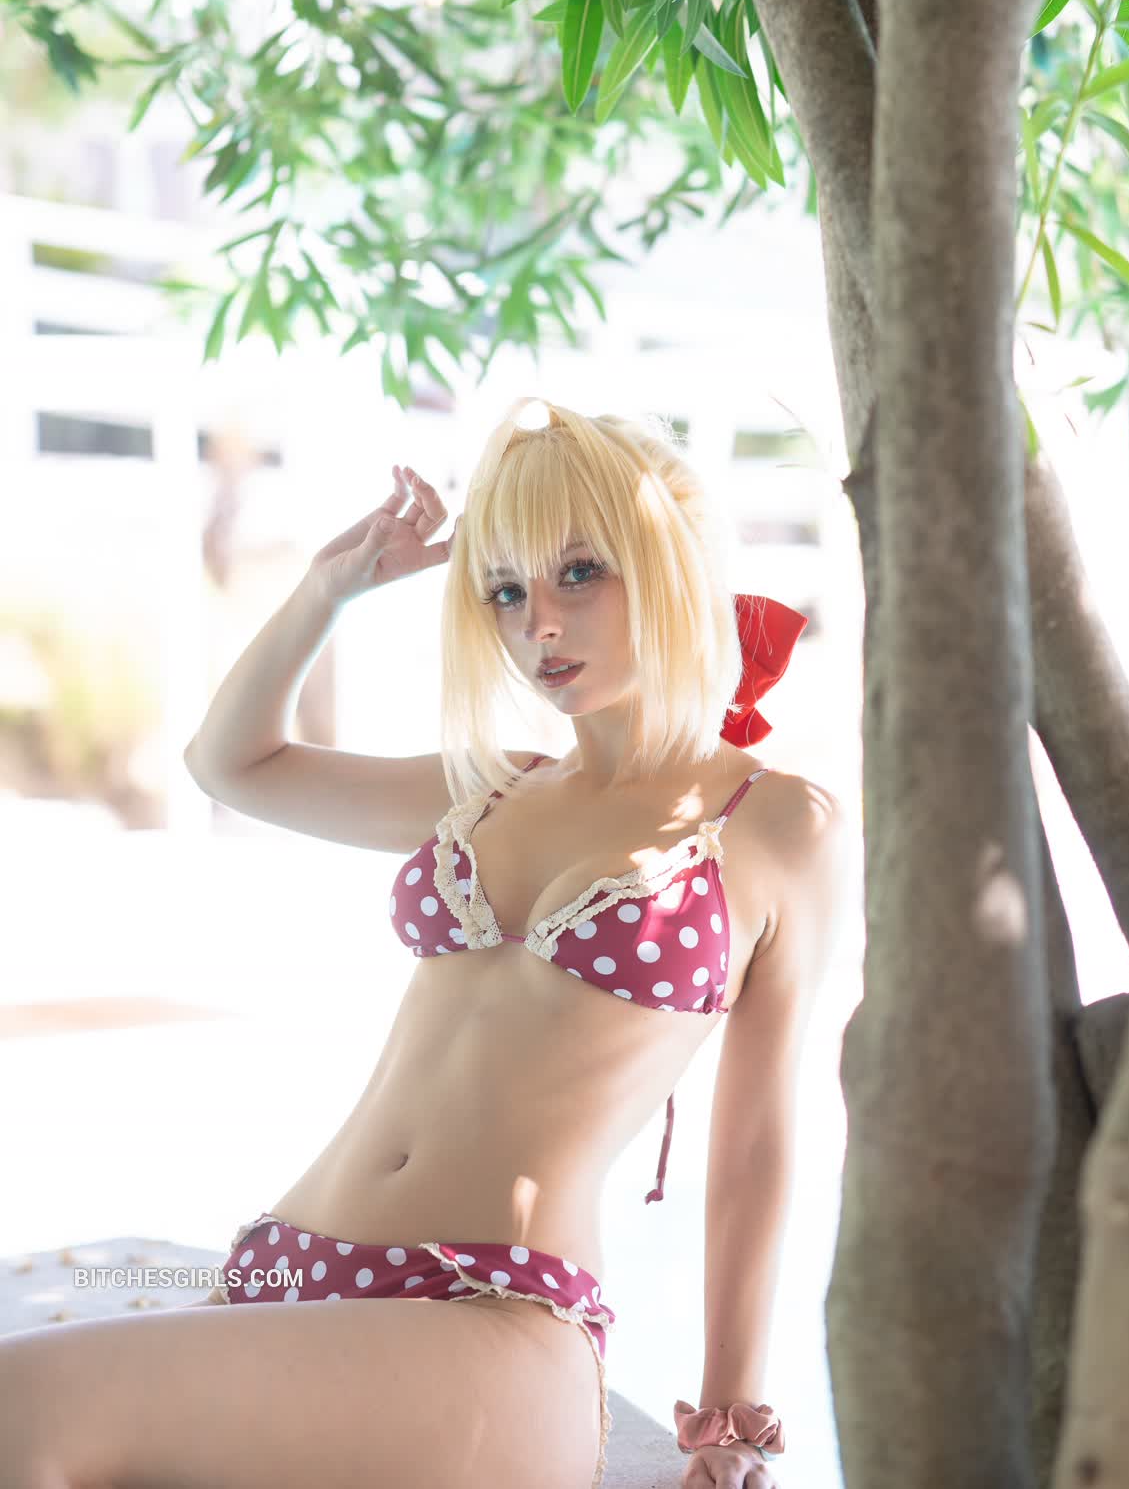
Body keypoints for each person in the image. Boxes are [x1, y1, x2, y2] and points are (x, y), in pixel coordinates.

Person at [0, 397, 843, 1489]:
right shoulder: (491, 785)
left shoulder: (771, 824)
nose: (539, 623)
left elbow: (754, 1141)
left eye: (579, 572)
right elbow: (230, 764)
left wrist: (729, 1418)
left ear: (671, 560)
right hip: (287, 1268)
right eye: (506, 590)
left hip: (494, 1312)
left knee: (22, 1404)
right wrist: (330, 587)